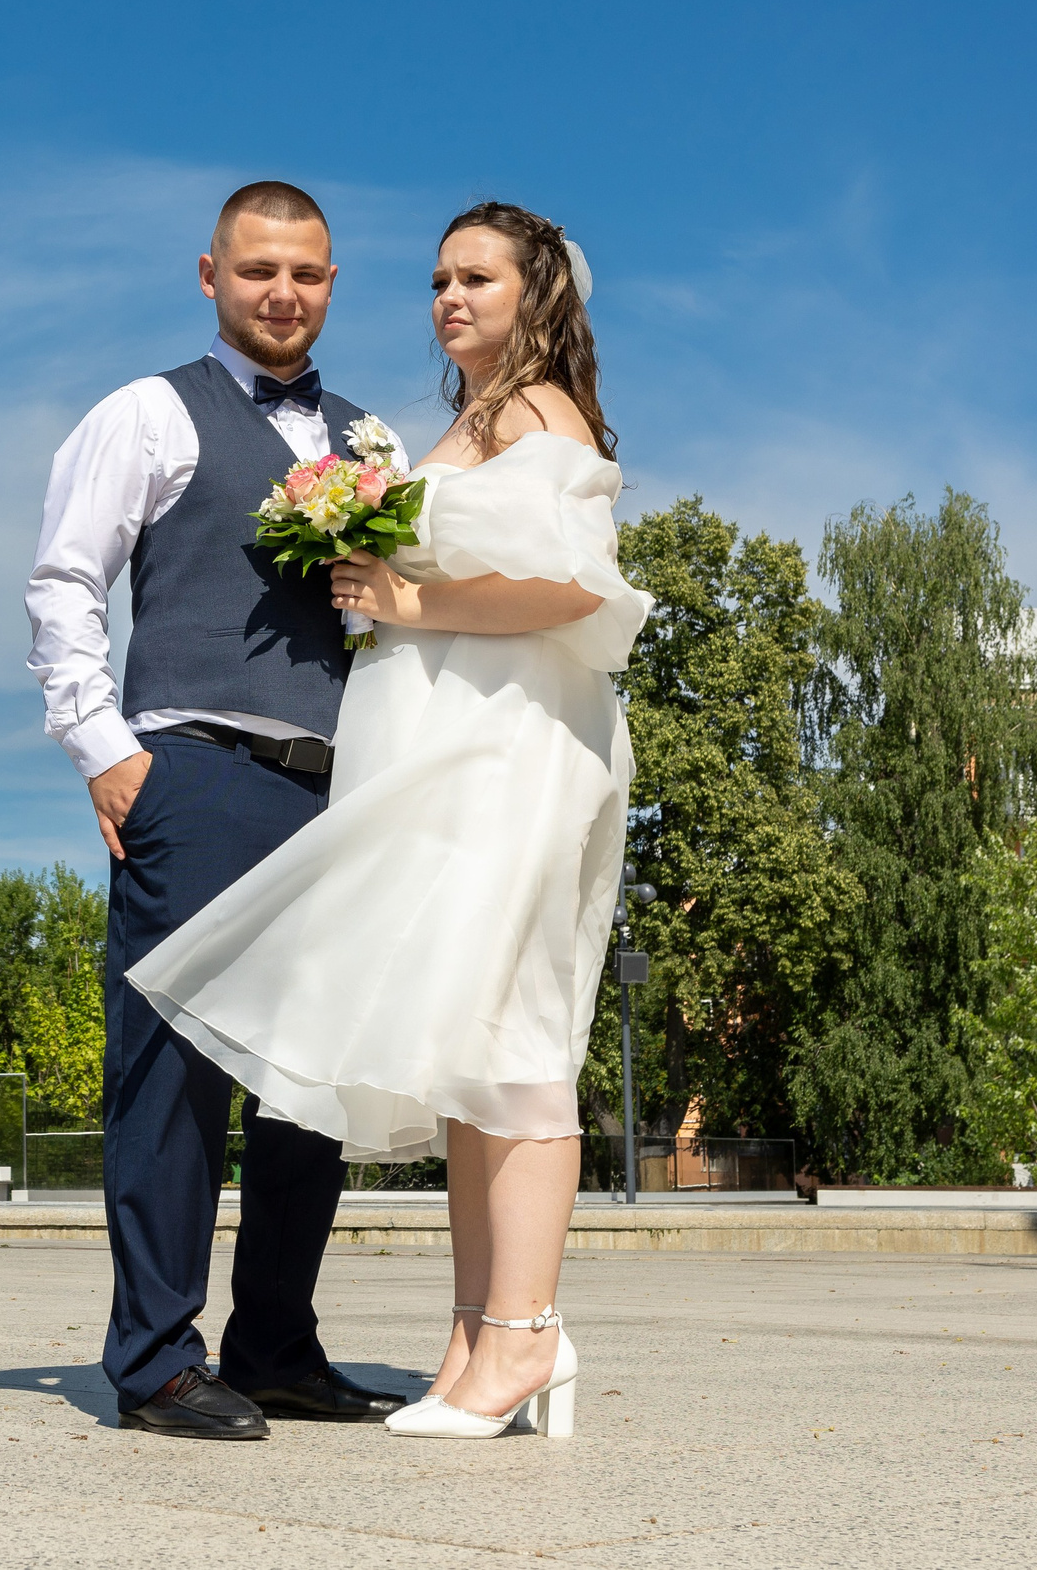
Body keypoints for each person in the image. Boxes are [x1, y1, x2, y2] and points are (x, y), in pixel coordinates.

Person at [125, 201, 651, 1440]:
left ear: (536, 295)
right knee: (470, 1046)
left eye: (478, 279)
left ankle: (523, 1336)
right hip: (445, 746)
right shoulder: (467, 420)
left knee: (516, 1039)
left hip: (509, 748)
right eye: (437, 280)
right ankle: (478, 1341)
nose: (450, 299)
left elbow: (574, 591)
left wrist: (408, 606)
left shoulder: (539, 412)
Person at [24, 181, 409, 1440]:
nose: (280, 294)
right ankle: (153, 1363)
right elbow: (65, 581)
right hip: (195, 769)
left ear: (331, 283)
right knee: (172, 1075)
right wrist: (105, 751)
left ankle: (277, 1348)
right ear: (210, 275)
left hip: (341, 789)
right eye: (257, 271)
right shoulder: (147, 413)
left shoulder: (372, 441)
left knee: (309, 1085)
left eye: (304, 273)